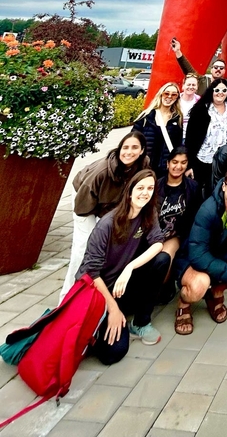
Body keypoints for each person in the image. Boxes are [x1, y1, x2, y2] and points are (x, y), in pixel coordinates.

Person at [78, 169, 168, 361]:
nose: (145, 192)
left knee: (162, 260)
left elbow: (158, 243)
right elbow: (91, 273)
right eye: (140, 187)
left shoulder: (148, 213)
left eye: (150, 188)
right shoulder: (107, 224)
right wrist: (113, 309)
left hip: (122, 284)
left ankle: (140, 323)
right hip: (98, 290)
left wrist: (130, 267)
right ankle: (97, 331)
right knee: (112, 354)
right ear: (129, 191)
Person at [59, 130, 149, 301]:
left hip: (109, 203)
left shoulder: (143, 165)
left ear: (142, 150)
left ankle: (96, 289)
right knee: (84, 247)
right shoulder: (101, 171)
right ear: (119, 149)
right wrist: (100, 223)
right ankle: (66, 297)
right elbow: (82, 206)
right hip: (85, 199)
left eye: (135, 148)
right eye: (125, 147)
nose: (129, 152)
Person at [174, 166, 227, 335]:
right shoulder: (209, 209)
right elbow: (197, 256)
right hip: (191, 258)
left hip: (217, 255)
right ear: (224, 185)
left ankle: (215, 293)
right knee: (199, 284)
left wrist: (220, 263)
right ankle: (183, 303)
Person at [155, 147, 201, 296]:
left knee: (164, 257)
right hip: (155, 233)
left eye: (183, 162)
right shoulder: (156, 185)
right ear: (168, 163)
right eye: (175, 162)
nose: (178, 166)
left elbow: (195, 216)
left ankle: (162, 288)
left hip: (176, 235)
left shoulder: (192, 187)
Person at [184, 78, 227, 197]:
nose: (221, 93)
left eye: (224, 90)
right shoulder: (201, 110)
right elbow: (190, 140)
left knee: (220, 193)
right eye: (217, 90)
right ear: (211, 91)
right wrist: (190, 165)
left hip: (225, 160)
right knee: (197, 195)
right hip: (203, 159)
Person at [133, 82, 184, 175]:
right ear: (160, 94)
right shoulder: (146, 117)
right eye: (166, 93)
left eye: (174, 95)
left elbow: (178, 145)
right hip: (143, 167)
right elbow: (132, 140)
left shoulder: (177, 119)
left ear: (177, 98)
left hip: (165, 170)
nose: (169, 96)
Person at [178, 75, 200, 139]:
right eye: (188, 84)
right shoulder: (176, 99)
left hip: (192, 137)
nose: (191, 87)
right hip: (176, 136)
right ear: (183, 86)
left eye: (193, 85)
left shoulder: (200, 101)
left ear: (197, 87)